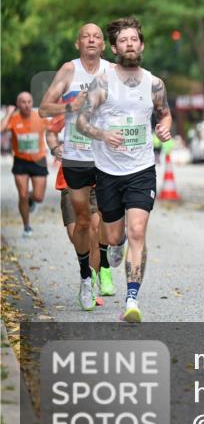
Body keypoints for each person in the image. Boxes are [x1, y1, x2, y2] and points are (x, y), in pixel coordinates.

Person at [75, 17, 173, 323]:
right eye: (124, 40)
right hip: (107, 170)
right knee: (115, 235)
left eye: (134, 39)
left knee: (138, 231)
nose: (129, 44)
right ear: (115, 47)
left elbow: (165, 114)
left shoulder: (155, 84)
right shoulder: (103, 82)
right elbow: (81, 121)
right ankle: (114, 248)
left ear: (141, 45)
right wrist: (104, 135)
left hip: (142, 169)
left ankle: (132, 299)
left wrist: (164, 128)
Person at [38, 22, 113, 310]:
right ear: (77, 43)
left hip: (107, 161)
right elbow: (45, 108)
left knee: (101, 227)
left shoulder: (112, 72)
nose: (92, 40)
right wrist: (70, 107)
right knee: (81, 227)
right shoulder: (69, 71)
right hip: (76, 160)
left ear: (103, 45)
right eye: (86, 37)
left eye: (97, 37)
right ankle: (86, 277)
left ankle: (96, 273)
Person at [46, 117, 104, 309]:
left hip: (98, 179)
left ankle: (90, 285)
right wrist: (55, 148)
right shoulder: (70, 110)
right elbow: (51, 131)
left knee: (94, 232)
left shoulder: (106, 109)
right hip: (70, 181)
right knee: (76, 234)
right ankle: (85, 272)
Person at [1, 92, 50, 236]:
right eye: (23, 102)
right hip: (21, 161)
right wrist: (9, 113)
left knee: (39, 196)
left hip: (38, 160)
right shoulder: (14, 118)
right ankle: (27, 226)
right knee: (22, 195)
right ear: (18, 104)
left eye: (29, 101)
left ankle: (31, 199)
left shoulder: (40, 117)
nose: (27, 105)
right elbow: (1, 128)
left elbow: (55, 127)